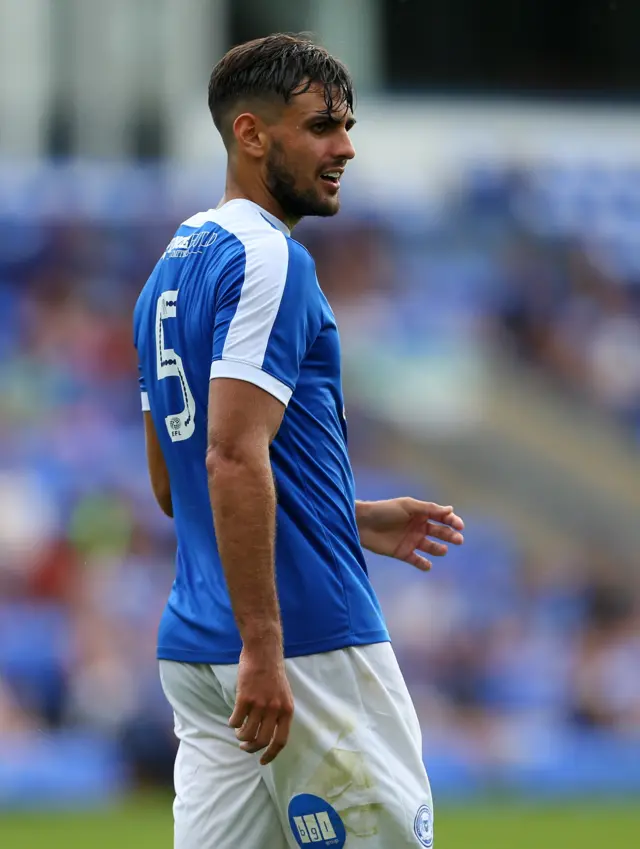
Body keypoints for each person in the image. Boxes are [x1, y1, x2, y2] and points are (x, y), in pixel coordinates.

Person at [133, 33, 464, 849]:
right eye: (320, 126)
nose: (345, 147)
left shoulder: (167, 273)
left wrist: (342, 517)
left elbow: (174, 483)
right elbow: (231, 457)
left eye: (346, 125)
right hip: (302, 641)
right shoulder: (270, 258)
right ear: (251, 134)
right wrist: (265, 647)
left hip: (196, 647)